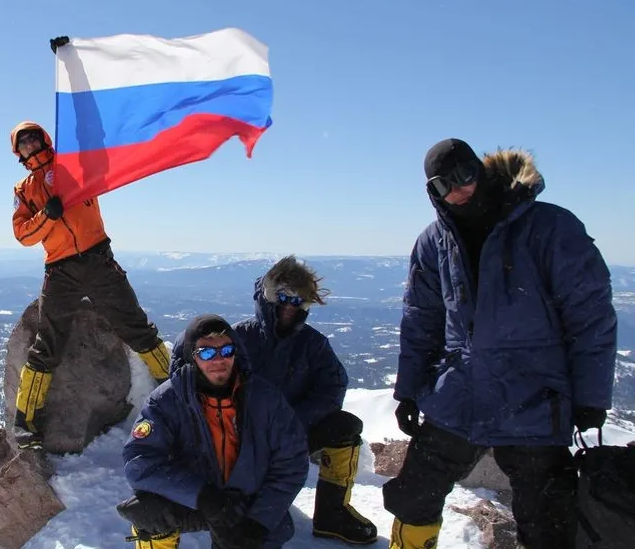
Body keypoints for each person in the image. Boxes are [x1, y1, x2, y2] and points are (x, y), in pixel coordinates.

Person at [383, 138, 617, 549]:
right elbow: (421, 322)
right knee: (413, 496)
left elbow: (590, 317)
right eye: (442, 185)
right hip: (459, 396)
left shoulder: (550, 227)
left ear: (481, 169)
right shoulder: (433, 242)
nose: (458, 190)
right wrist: (408, 391)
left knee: (546, 526)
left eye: (464, 175)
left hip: (533, 399)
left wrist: (591, 397)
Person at [9, 121, 172, 449]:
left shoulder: (72, 165)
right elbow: (23, 234)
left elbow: (101, 163)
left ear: (44, 138)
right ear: (17, 152)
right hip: (60, 270)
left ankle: (177, 388)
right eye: (22, 143)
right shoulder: (24, 190)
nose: (29, 145)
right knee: (47, 345)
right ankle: (26, 422)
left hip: (98, 258)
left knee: (136, 327)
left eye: (33, 138)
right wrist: (46, 215)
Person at [116, 314, 309, 549]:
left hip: (246, 504)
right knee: (149, 513)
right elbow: (139, 462)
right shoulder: (168, 400)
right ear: (191, 356)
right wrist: (202, 495)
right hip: (196, 499)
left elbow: (292, 462)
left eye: (227, 350)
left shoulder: (265, 399)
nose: (219, 359)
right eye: (206, 353)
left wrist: (260, 520)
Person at [226, 254, 379, 545]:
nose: (289, 306)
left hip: (293, 434)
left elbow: (332, 388)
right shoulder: (239, 338)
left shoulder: (313, 344)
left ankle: (332, 513)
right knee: (263, 527)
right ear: (268, 296)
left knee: (344, 427)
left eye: (297, 301)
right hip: (242, 443)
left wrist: (292, 422)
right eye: (283, 297)